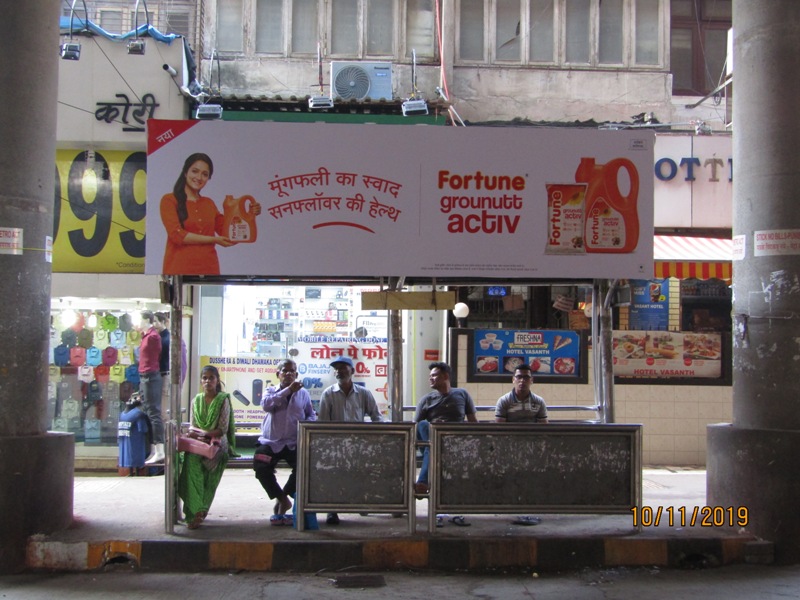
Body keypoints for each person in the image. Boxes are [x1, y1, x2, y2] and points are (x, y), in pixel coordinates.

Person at [160, 153, 261, 275]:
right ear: (185, 172)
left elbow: (229, 235)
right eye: (195, 171)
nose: (199, 177)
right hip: (178, 271)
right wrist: (214, 239)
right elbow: (177, 235)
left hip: (209, 271)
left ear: (208, 178)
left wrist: (249, 216)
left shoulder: (208, 203)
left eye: (205, 174)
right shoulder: (169, 200)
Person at [317, 356, 382, 525]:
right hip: (335, 444)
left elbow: (376, 416)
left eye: (343, 368)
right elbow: (322, 423)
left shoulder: (364, 393)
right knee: (333, 477)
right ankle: (332, 510)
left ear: (352, 371)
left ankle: (360, 503)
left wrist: (381, 436)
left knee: (360, 475)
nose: (339, 371)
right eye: (336, 369)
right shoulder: (328, 394)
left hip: (358, 443)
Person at [253, 359, 316, 526]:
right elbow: (266, 405)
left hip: (293, 443)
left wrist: (308, 423)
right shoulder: (271, 391)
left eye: (292, 371)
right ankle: (282, 499)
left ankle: (284, 496)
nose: (288, 374)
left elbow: (311, 413)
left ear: (296, 374)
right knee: (260, 466)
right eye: (284, 371)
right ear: (278, 374)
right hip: (271, 442)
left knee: (305, 467)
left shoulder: (303, 394)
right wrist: (287, 391)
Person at [178, 365, 236, 529]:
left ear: (217, 380)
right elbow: (193, 426)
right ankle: (194, 511)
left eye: (211, 378)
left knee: (210, 473)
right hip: (199, 444)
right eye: (205, 378)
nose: (207, 381)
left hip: (217, 443)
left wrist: (204, 434)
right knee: (190, 462)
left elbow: (222, 429)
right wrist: (195, 435)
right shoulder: (196, 400)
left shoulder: (223, 399)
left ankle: (201, 510)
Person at [413, 362, 478, 497]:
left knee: (431, 447)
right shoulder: (426, 400)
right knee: (425, 428)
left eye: (435, 375)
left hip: (455, 438)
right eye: (430, 376)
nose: (430, 378)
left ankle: (423, 482)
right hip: (431, 437)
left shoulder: (462, 394)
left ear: (445, 376)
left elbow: (473, 421)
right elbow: (415, 426)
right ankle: (423, 482)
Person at [495, 363, 548, 526]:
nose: (522, 381)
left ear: (532, 380)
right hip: (509, 447)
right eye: (519, 377)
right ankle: (511, 508)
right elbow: (499, 429)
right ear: (513, 380)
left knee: (533, 480)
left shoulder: (539, 402)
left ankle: (531, 509)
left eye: (526, 377)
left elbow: (543, 428)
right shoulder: (504, 401)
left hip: (532, 448)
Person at [138, 311, 164, 465]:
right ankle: (154, 448)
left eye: (139, 319)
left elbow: (156, 355)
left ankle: (160, 450)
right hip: (145, 375)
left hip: (150, 375)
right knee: (148, 411)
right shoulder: (146, 336)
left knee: (154, 413)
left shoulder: (153, 337)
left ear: (147, 320)